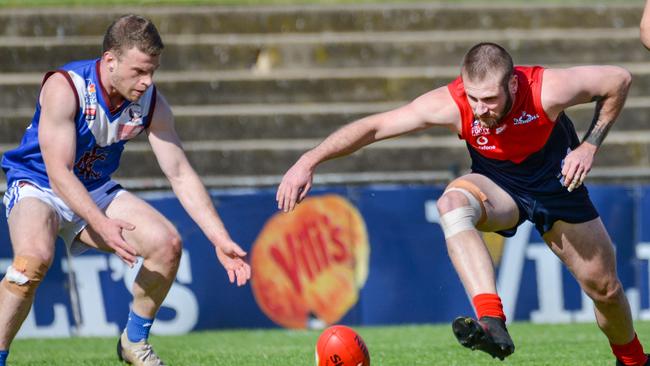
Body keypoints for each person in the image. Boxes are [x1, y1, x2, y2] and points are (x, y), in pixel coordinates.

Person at [276, 42, 648, 365]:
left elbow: (618, 80)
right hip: (498, 185)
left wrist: (589, 145)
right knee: (452, 203)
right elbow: (376, 127)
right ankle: (491, 319)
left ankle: (632, 360)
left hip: (557, 186)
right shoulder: (453, 103)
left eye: (490, 99)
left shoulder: (545, 89)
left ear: (513, 83)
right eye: (473, 98)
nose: (480, 109)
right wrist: (309, 160)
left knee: (606, 290)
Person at [0, 14, 250, 366]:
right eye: (139, 72)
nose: (148, 82)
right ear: (110, 61)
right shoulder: (65, 86)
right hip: (38, 183)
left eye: (153, 71)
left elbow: (179, 172)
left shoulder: (150, 102)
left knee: (167, 245)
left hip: (94, 187)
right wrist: (101, 225)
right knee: (32, 261)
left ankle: (133, 343)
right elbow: (59, 173)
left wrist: (219, 238)